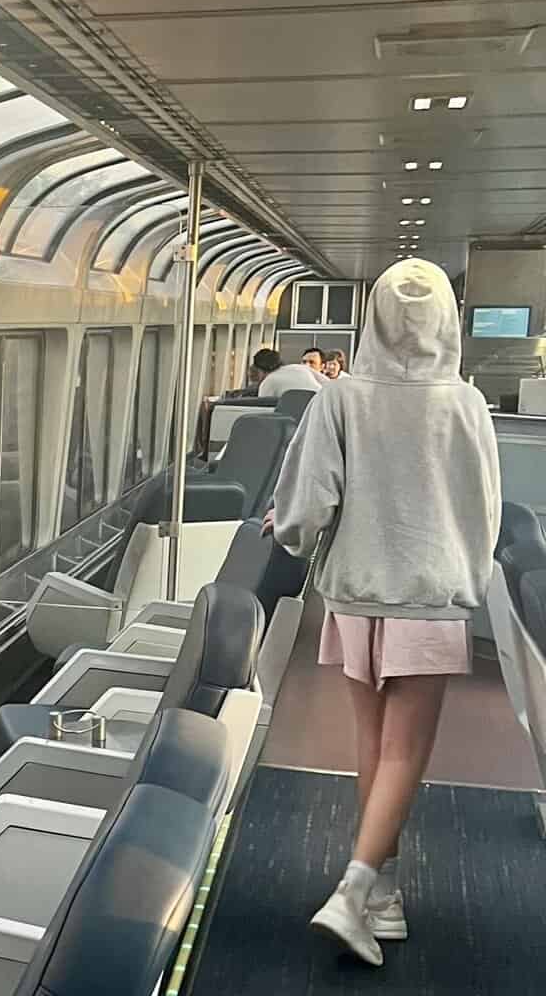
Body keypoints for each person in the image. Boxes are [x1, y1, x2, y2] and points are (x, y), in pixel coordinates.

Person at [266, 259, 500, 966]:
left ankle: (384, 895)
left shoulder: (341, 399)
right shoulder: (466, 403)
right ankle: (355, 887)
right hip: (429, 594)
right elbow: (482, 507)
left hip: (356, 592)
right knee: (407, 752)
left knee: (372, 745)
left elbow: (308, 506)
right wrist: (471, 575)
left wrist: (294, 539)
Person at [254, 347, 323, 399]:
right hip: (322, 405)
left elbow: (263, 410)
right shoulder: (299, 367)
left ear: (259, 369)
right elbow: (327, 382)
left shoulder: (267, 383)